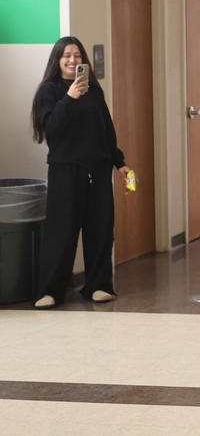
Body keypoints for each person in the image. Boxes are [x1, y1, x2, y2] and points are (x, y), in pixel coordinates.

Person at [29, 36, 132, 308]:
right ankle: (50, 290)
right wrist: (69, 98)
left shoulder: (94, 90)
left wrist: (120, 163)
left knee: (100, 229)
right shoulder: (49, 91)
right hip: (66, 170)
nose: (73, 60)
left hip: (98, 170)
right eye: (67, 56)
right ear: (58, 60)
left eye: (77, 56)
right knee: (61, 232)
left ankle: (98, 285)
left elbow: (106, 130)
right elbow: (52, 128)